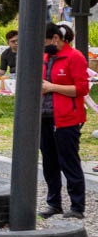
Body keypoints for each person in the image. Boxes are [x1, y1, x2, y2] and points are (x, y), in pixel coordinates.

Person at [39, 22, 88, 219]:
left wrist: (52, 87)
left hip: (67, 119)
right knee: (49, 162)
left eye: (44, 42)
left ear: (55, 38)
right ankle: (54, 204)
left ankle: (77, 207)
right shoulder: (44, 57)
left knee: (69, 162)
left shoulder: (75, 57)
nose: (42, 47)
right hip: (44, 116)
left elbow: (81, 89)